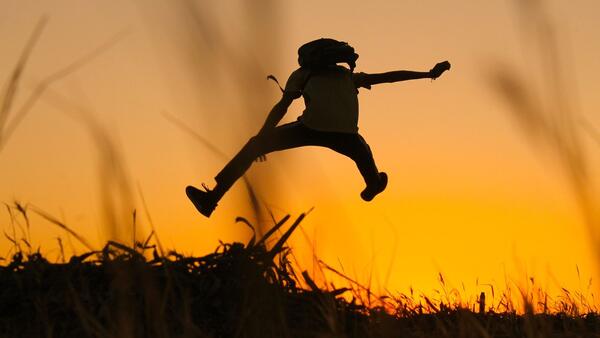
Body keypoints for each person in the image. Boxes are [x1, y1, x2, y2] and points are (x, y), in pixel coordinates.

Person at [187, 38, 451, 217]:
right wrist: (426, 74)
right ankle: (374, 185)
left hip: (314, 129)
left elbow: (281, 107)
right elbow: (388, 77)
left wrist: (264, 136)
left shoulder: (309, 74)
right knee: (365, 158)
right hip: (342, 135)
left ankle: (212, 199)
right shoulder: (344, 76)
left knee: (254, 145)